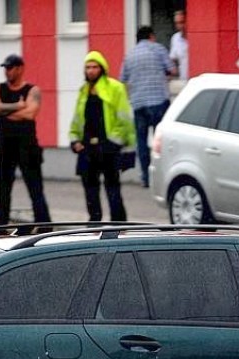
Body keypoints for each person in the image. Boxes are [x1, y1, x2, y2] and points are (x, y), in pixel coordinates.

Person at [0, 54, 51, 226]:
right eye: (5, 68)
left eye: (10, 68)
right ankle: (0, 227)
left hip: (27, 147)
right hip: (5, 148)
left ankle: (44, 227)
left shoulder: (32, 90)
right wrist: (17, 106)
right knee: (3, 191)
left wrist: (3, 111)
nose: (7, 72)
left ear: (20, 68)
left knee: (35, 190)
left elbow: (30, 113)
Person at [69, 50, 136, 222]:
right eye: (88, 67)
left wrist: (113, 142)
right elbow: (77, 119)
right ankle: (94, 224)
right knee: (90, 189)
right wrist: (75, 139)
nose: (91, 70)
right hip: (87, 147)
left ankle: (118, 225)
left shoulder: (115, 88)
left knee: (113, 188)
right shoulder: (83, 90)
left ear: (102, 68)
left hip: (108, 147)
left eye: (95, 67)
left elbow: (125, 119)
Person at [121, 25, 174, 188]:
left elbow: (123, 79)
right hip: (158, 101)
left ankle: (145, 177)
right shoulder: (158, 49)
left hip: (139, 104)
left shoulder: (129, 55)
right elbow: (172, 70)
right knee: (161, 142)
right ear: (151, 36)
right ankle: (163, 176)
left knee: (142, 142)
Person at [169, 9, 188, 82]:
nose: (180, 26)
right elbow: (172, 60)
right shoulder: (175, 38)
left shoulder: (197, 36)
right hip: (183, 80)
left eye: (182, 22)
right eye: (177, 23)